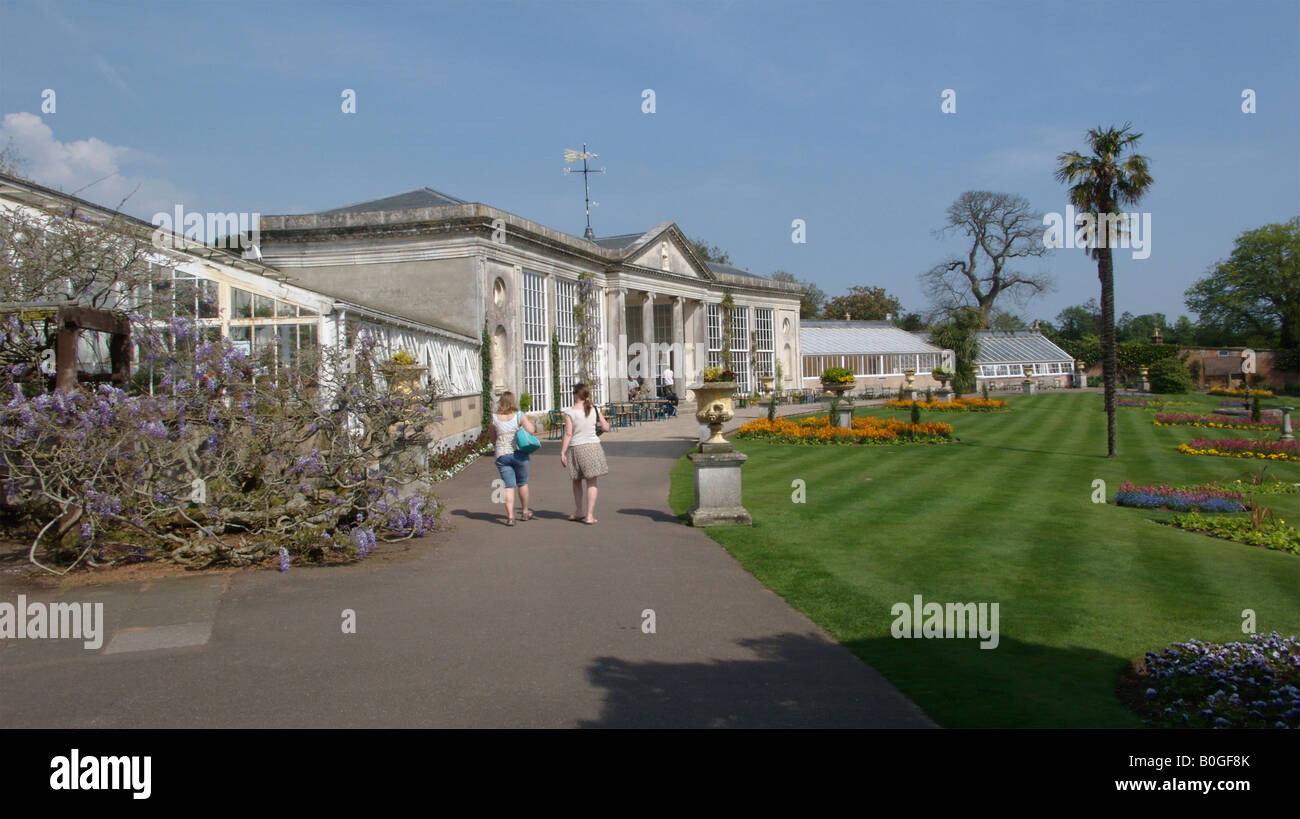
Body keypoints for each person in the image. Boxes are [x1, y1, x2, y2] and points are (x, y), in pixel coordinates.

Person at [560, 383, 610, 524]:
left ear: (576, 394)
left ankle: (579, 510)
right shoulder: (594, 408)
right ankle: (589, 515)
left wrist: (563, 452)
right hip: (593, 447)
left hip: (577, 447)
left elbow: (568, 434)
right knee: (592, 481)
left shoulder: (570, 412)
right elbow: (606, 427)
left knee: (577, 481)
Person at [488, 391, 537, 526]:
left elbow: (492, 437)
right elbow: (531, 430)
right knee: (522, 483)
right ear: (513, 402)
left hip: (502, 454)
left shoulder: (495, 418)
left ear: (501, 402)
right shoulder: (519, 415)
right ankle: (525, 511)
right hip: (519, 453)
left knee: (508, 486)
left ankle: (510, 517)